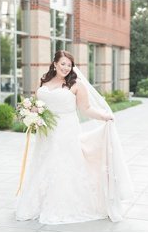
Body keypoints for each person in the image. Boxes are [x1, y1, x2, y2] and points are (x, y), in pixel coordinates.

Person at [15, 50, 134, 225]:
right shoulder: (44, 81)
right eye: (62, 63)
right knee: (44, 163)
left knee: (63, 165)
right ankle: (40, 203)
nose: (66, 67)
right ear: (54, 63)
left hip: (66, 131)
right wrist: (31, 112)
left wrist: (104, 116)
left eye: (69, 65)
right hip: (46, 132)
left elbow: (86, 109)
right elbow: (37, 102)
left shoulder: (75, 84)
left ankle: (63, 205)